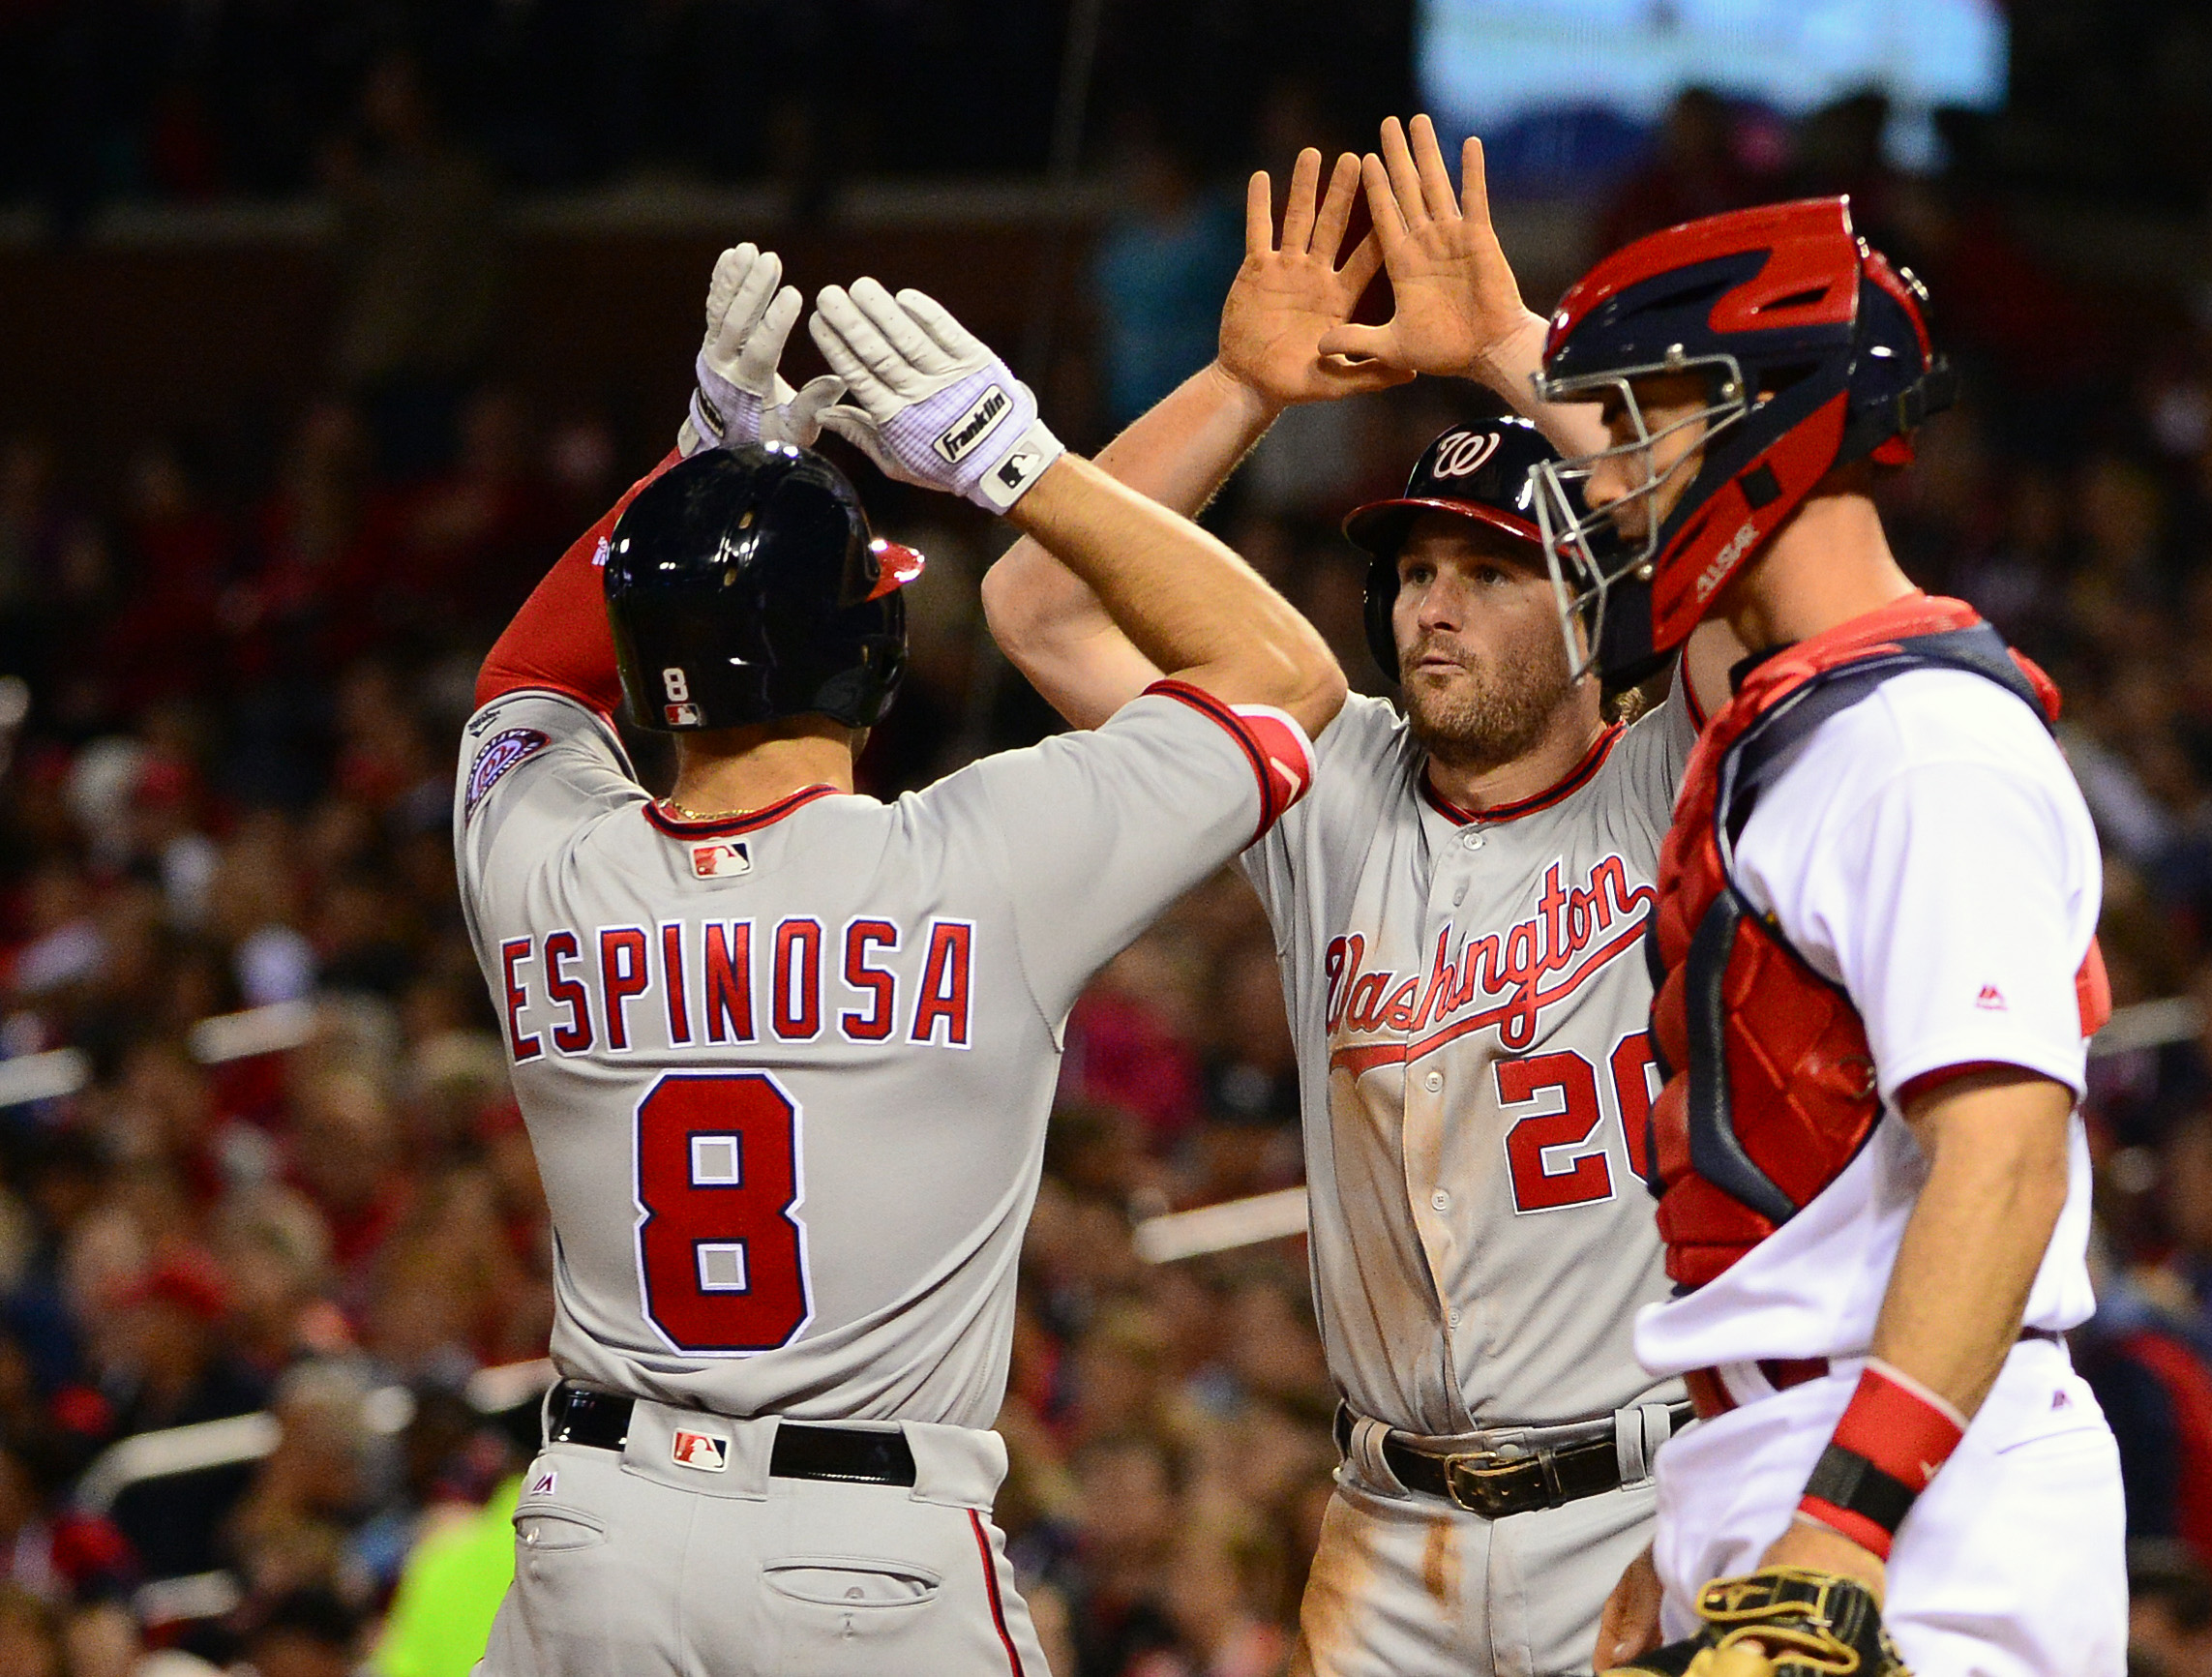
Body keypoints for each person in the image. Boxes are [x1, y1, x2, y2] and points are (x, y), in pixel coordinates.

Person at [457, 245, 1341, 1675]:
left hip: (592, 1531)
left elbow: (524, 679)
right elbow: (1286, 675)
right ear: (871, 646)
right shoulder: (980, 862)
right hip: (857, 1553)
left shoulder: (541, 866)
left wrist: (689, 465)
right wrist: (1016, 458)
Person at [984, 119, 1706, 1677]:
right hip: (1388, 1530)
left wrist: (1515, 352)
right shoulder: (1333, 782)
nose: (1430, 604)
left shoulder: (1683, 778)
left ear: (1593, 605)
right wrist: (1242, 387)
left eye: (1489, 570)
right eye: (1414, 570)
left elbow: (1750, 534)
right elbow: (1034, 605)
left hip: (1646, 1506)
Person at [1555, 199, 2127, 1677]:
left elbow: (2003, 1154)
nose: (1610, 479)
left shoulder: (1925, 745)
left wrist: (1844, 1527)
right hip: (1796, 1459)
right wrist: (1704, 1524)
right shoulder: (1812, 727)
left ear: (1769, 416)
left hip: (1924, 1495)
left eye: (1641, 421)